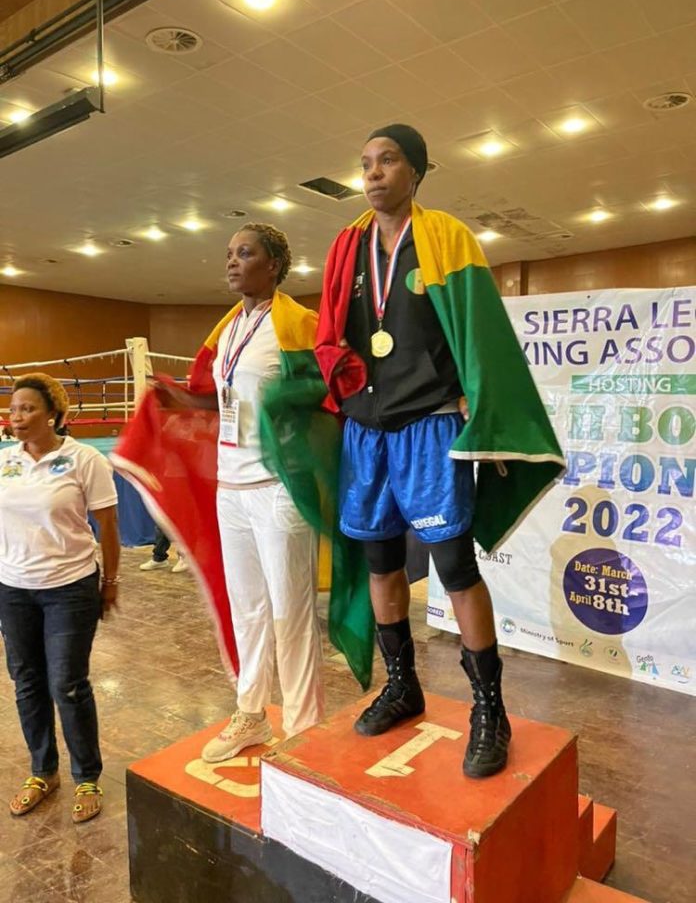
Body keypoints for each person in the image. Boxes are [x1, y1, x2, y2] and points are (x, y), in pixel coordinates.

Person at [315, 125, 564, 778]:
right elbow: (330, 335)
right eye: (365, 163)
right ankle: (402, 685)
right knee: (380, 562)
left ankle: (490, 710)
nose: (372, 173)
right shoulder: (347, 246)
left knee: (454, 567)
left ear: (417, 171)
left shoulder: (449, 237)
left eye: (387, 161)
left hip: (430, 424)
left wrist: (481, 409)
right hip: (368, 429)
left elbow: (480, 334)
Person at [119, 223, 325, 761]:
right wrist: (178, 400)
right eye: (230, 254)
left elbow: (328, 396)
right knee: (248, 609)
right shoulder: (228, 330)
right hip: (231, 487)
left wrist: (293, 404)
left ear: (274, 265)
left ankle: (304, 730)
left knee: (290, 611)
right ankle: (251, 713)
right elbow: (218, 401)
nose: (232, 262)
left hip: (278, 489)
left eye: (245, 253)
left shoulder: (299, 325)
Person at [0, 373, 120, 820]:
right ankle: (42, 771)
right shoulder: (5, 462)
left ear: (53, 414)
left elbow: (107, 526)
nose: (17, 417)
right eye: (13, 410)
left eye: (28, 409)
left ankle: (86, 776)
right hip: (12, 589)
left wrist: (110, 582)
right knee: (27, 682)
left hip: (69, 587)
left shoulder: (83, 459)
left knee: (67, 684)